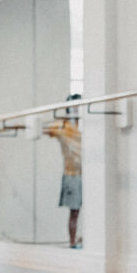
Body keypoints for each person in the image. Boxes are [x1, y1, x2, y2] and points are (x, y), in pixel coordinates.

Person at [43, 94, 82, 248]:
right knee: (74, 211)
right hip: (72, 174)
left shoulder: (88, 124)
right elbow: (44, 128)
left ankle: (83, 240)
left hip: (89, 173)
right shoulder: (62, 126)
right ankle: (72, 242)